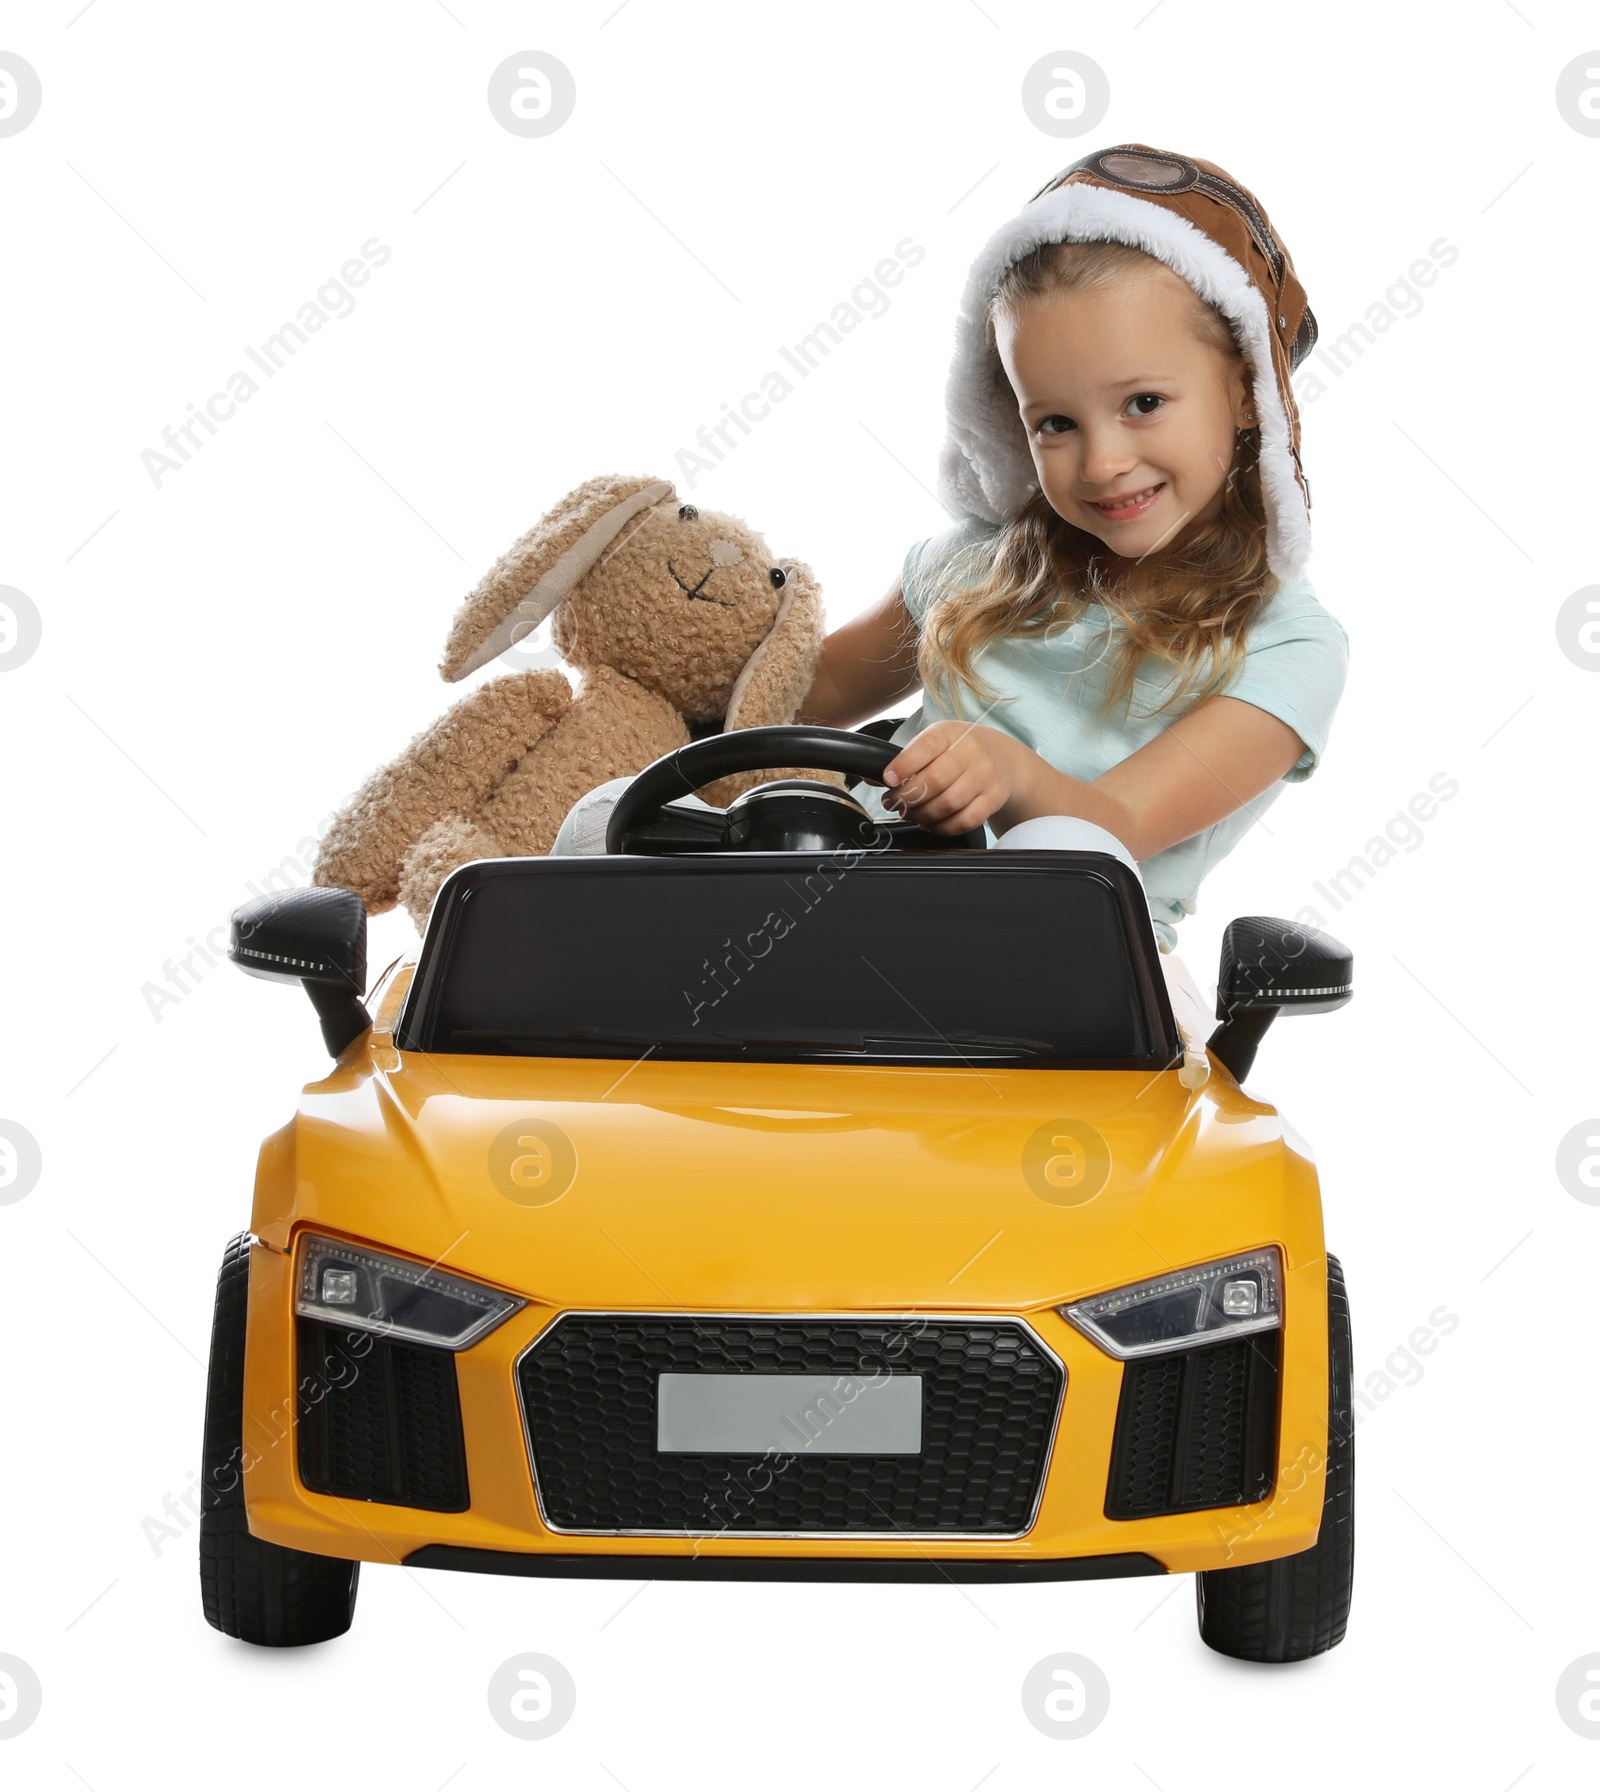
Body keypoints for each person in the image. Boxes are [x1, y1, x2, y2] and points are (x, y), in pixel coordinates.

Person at [794, 145, 1349, 1080]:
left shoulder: (1286, 646)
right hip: (848, 938)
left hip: (1086, 992)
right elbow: (788, 697)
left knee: (1060, 848)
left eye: (1142, 403)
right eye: (1054, 422)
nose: (1099, 465)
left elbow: (1110, 829)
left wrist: (1006, 772)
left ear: (1247, 393)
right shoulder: (970, 570)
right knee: (620, 815)